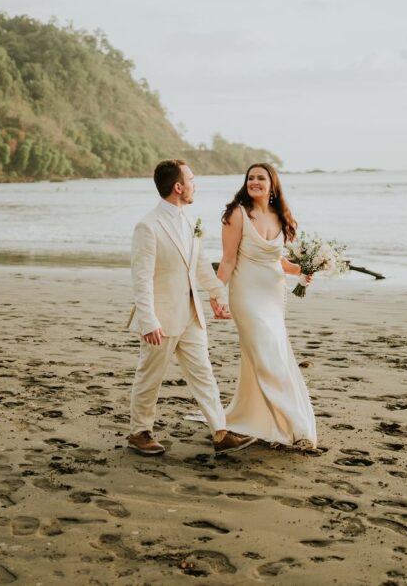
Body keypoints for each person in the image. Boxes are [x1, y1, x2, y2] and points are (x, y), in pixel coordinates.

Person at [126, 159, 257, 456]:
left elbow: (199, 265)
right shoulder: (148, 227)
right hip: (162, 318)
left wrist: (217, 296)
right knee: (150, 376)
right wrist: (148, 320)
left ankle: (220, 432)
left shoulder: (188, 221)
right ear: (178, 187)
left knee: (204, 374)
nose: (195, 184)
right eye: (192, 179)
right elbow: (141, 279)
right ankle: (139, 431)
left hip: (191, 315)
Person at [215, 163, 318, 449]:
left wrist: (300, 271)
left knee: (272, 356)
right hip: (246, 296)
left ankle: (267, 422)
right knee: (268, 358)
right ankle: (293, 426)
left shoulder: (280, 216)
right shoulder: (237, 214)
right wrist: (215, 294)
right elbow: (228, 260)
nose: (255, 182)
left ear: (273, 184)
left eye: (261, 178)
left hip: (274, 297)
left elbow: (278, 260)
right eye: (251, 178)